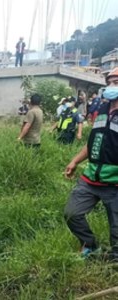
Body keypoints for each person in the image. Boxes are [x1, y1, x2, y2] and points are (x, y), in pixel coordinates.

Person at [63, 67, 118, 261]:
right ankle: (91, 245)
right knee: (72, 214)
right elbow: (95, 141)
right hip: (91, 177)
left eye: (116, 82)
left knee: (117, 231)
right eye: (109, 82)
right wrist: (75, 161)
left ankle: (113, 262)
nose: (111, 86)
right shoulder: (102, 109)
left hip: (115, 183)